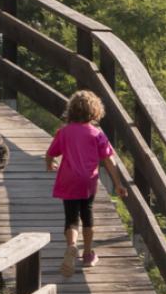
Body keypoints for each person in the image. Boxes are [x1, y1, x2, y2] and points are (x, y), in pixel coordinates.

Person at [46, 90, 126, 277]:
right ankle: (88, 254)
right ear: (95, 112)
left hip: (68, 180)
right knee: (87, 214)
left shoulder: (63, 132)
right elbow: (109, 160)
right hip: (87, 182)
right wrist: (118, 184)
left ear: (71, 110)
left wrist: (50, 164)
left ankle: (71, 246)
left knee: (71, 217)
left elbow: (51, 153)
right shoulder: (97, 134)